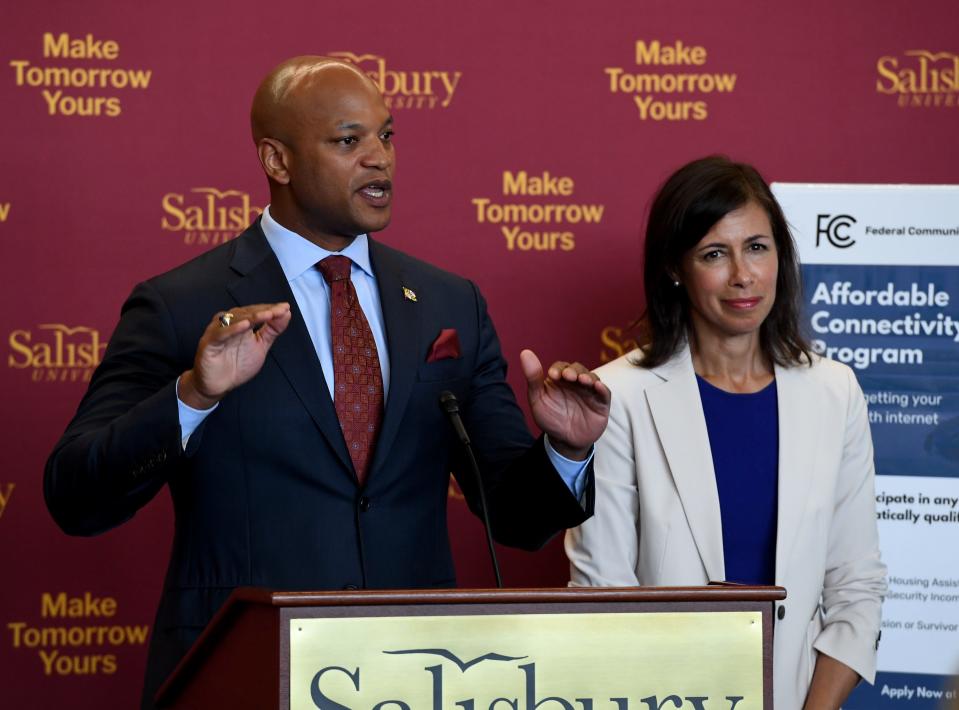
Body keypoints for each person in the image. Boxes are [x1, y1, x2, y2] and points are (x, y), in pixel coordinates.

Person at [44, 56, 610, 708]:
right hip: (248, 674)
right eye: (349, 141)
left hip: (418, 676)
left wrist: (565, 451)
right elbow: (75, 496)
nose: (379, 159)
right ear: (277, 161)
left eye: (387, 137)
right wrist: (194, 395)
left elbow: (514, 515)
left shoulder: (448, 304)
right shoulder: (181, 305)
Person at [565, 156, 886, 710]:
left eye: (757, 247)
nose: (743, 274)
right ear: (675, 268)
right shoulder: (617, 397)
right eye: (715, 254)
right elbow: (602, 596)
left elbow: (856, 588)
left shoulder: (835, 392)